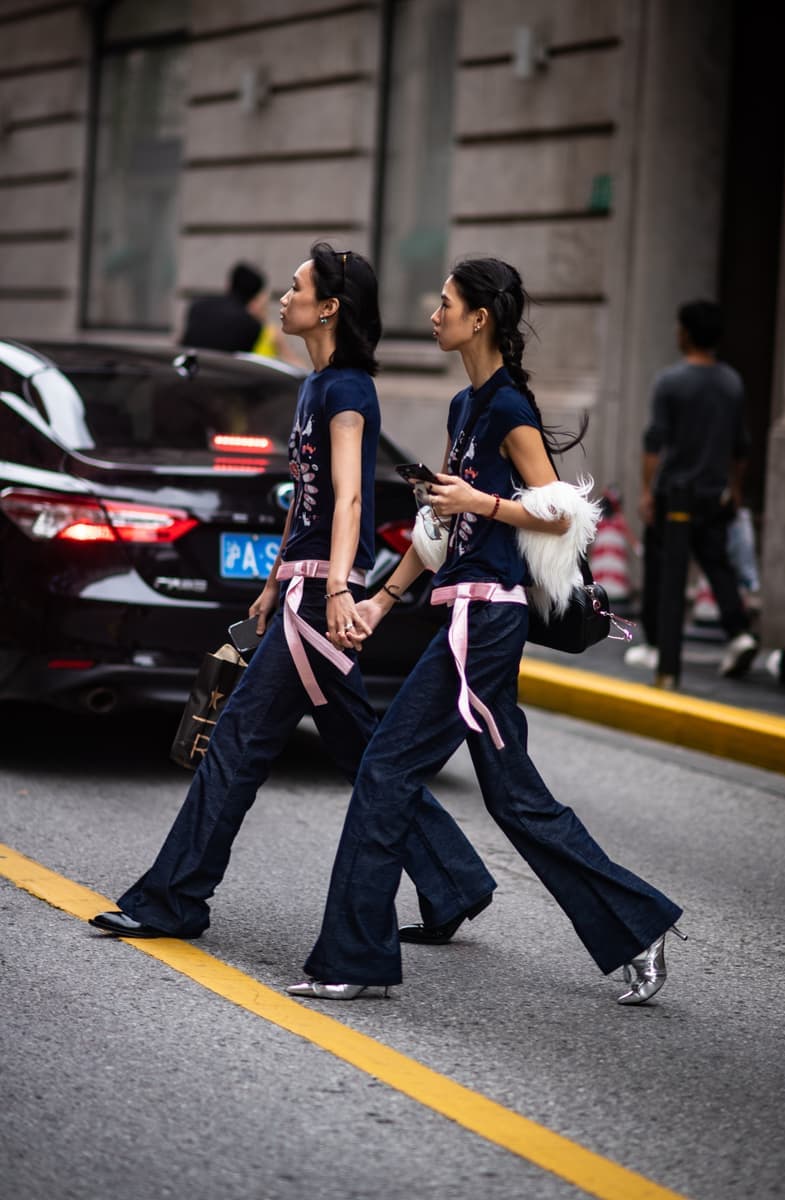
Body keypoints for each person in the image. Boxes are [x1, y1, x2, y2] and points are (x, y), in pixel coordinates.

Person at [287, 257, 685, 1007]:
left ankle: (355, 958)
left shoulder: (507, 409)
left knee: (385, 771)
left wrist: (485, 501)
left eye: (445, 304)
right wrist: (380, 599)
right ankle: (638, 926)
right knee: (513, 798)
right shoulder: (464, 407)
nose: (432, 313)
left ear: (479, 320)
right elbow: (441, 521)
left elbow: (563, 513)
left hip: (489, 622)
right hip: (463, 615)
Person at [89, 243, 495, 942]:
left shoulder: (347, 390)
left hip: (322, 597)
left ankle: (174, 899)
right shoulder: (312, 385)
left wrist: (337, 588)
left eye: (297, 287)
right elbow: (302, 500)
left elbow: (345, 502)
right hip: (302, 588)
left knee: (238, 743)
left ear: (329, 308)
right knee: (360, 748)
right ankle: (454, 880)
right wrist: (274, 580)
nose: (283, 297)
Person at [624, 300, 757, 679]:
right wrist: (734, 488)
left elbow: (654, 443)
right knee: (718, 565)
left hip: (675, 494)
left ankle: (655, 645)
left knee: (662, 569)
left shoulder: (671, 381)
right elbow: (741, 448)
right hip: (714, 493)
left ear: (685, 333)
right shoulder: (732, 382)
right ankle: (739, 632)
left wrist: (648, 492)